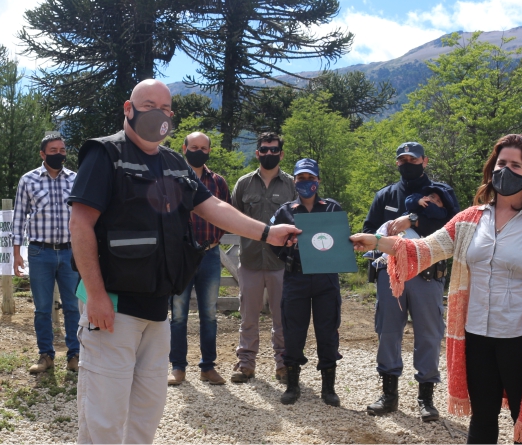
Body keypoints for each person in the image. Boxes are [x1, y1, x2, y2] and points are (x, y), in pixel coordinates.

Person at [67, 79, 300, 444]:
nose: (158, 113)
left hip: (158, 310)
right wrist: (94, 295)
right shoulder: (105, 155)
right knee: (104, 417)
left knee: (146, 412)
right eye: (149, 105)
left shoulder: (174, 162)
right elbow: (80, 224)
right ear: (129, 109)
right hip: (113, 308)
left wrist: (267, 232)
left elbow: (216, 208)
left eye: (166, 108)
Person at [351, 134, 522, 444]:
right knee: (482, 417)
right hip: (477, 336)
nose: (505, 171)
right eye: (500, 163)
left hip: (520, 339)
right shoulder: (471, 220)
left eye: (515, 165)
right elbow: (425, 249)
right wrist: (377, 242)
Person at [362, 141, 460, 422]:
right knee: (388, 332)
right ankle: (389, 395)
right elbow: (370, 230)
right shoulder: (385, 195)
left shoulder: (441, 193)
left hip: (428, 276)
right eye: (403, 159)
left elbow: (453, 226)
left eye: (413, 159)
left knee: (429, 335)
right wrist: (383, 238)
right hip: (391, 275)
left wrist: (413, 220)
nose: (408, 163)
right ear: (397, 163)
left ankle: (426, 397)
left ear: (425, 161)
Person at [268, 158, 343, 407]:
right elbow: (271, 240)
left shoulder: (332, 208)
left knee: (327, 330)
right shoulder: (285, 211)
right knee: (293, 331)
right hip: (296, 277)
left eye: (310, 178)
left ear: (317, 180)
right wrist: (287, 254)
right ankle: (292, 385)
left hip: (326, 278)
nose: (306, 183)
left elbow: (341, 240)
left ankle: (328, 388)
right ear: (295, 181)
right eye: (301, 178)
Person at [229, 132, 296, 384]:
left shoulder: (291, 185)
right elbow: (234, 217)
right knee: (248, 316)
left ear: (281, 153)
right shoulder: (244, 184)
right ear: (257, 153)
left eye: (274, 150)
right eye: (264, 150)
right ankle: (245, 364)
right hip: (250, 261)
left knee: (282, 316)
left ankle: (283, 364)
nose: (269, 154)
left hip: (282, 263)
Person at [167, 132, 232, 386]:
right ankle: (178, 367)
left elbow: (226, 214)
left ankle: (208, 366)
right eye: (194, 146)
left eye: (203, 147)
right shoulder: (172, 179)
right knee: (179, 313)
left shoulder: (219, 182)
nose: (199, 151)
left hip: (210, 254)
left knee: (209, 313)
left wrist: (215, 238)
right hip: (181, 255)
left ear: (209, 151)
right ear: (184, 148)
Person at [11, 134, 80, 373]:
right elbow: (19, 217)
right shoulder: (28, 180)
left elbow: (84, 216)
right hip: (40, 252)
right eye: (53, 150)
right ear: (42, 154)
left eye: (62, 149)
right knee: (42, 308)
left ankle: (75, 355)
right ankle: (46, 356)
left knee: (73, 306)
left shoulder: (75, 179)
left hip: (71, 253)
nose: (59, 153)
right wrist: (16, 253)